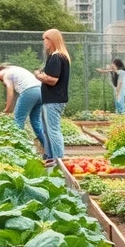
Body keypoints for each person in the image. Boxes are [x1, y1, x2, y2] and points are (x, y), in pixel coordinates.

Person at [35, 29, 70, 161]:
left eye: (46, 39)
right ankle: (49, 157)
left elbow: (52, 79)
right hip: (50, 99)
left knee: (53, 130)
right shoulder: (56, 56)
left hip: (53, 100)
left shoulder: (57, 57)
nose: (44, 42)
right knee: (47, 130)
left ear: (53, 40)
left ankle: (59, 160)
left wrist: (39, 76)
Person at [0, 63, 46, 148]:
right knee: (36, 121)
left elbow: (10, 92)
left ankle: (17, 148)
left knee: (18, 121)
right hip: (41, 90)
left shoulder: (5, 75)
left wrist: (6, 109)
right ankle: (48, 148)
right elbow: (16, 97)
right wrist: (10, 108)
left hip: (29, 91)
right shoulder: (15, 69)